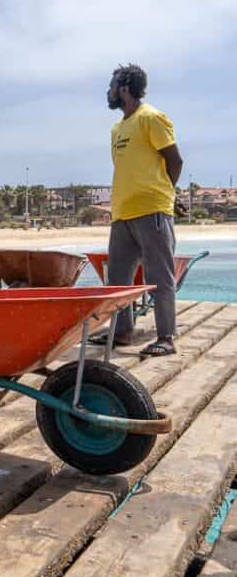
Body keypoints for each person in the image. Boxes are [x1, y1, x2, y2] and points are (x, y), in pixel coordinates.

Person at [92, 64, 184, 357]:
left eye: (111, 85)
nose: (108, 92)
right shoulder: (117, 128)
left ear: (123, 87)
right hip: (122, 213)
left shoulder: (151, 118)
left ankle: (166, 337)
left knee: (160, 275)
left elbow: (175, 160)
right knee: (117, 278)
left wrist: (166, 193)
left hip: (151, 210)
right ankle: (122, 332)